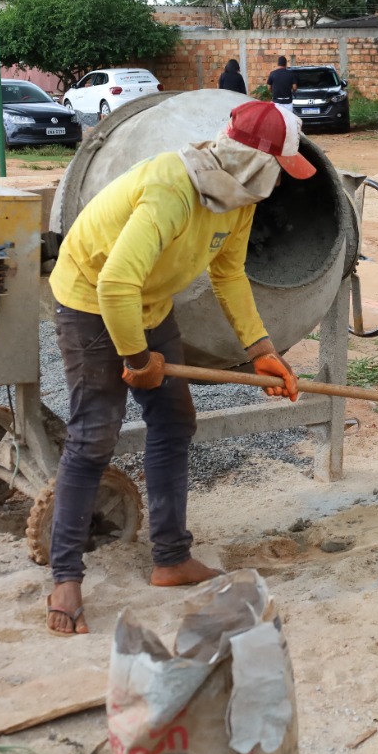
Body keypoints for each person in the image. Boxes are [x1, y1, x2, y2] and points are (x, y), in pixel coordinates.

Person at [44, 101, 317, 635]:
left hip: (149, 302)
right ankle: (65, 576)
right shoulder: (172, 189)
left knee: (173, 421)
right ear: (256, 163)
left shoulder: (240, 197)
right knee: (94, 435)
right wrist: (137, 361)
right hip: (91, 301)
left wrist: (260, 346)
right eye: (281, 171)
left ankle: (170, 558)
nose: (282, 182)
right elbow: (115, 284)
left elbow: (229, 273)